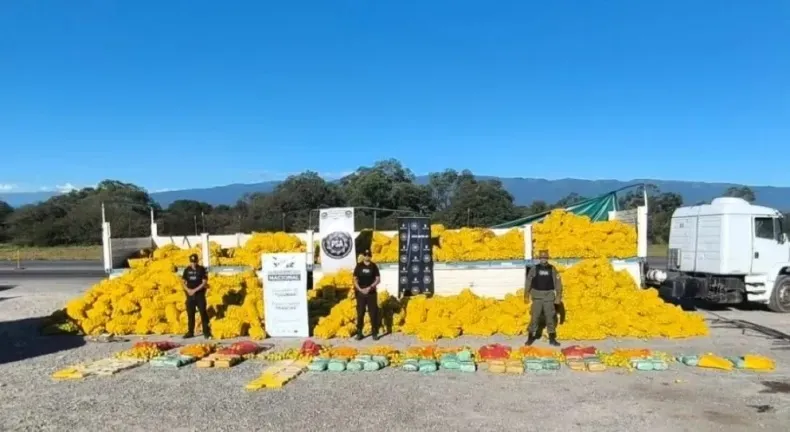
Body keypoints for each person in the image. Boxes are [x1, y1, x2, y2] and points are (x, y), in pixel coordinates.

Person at [524, 250, 563, 346]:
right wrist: (526, 294)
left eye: (545, 257)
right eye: (541, 257)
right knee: (534, 317)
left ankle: (552, 339)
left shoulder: (552, 269)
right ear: (539, 258)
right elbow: (528, 281)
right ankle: (530, 337)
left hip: (548, 297)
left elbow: (558, 283)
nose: (543, 259)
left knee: (550, 318)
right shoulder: (534, 268)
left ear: (547, 258)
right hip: (537, 297)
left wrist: (558, 296)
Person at [182, 253, 212, 339]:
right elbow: (183, 282)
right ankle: (190, 332)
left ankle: (206, 332)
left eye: (195, 262)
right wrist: (188, 290)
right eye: (192, 262)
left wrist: (194, 290)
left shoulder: (201, 269)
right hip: (190, 295)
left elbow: (204, 283)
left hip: (199, 295)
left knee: (203, 312)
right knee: (190, 314)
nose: (193, 264)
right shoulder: (187, 270)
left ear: (197, 261)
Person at [353, 249, 381, 341]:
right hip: (361, 293)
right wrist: (360, 289)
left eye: (368, 255)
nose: (367, 256)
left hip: (371, 293)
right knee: (360, 313)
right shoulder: (359, 266)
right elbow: (355, 279)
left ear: (370, 256)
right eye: (365, 255)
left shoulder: (374, 266)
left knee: (373, 314)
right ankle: (359, 333)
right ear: (363, 256)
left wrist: (370, 287)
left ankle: (374, 333)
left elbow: (378, 279)